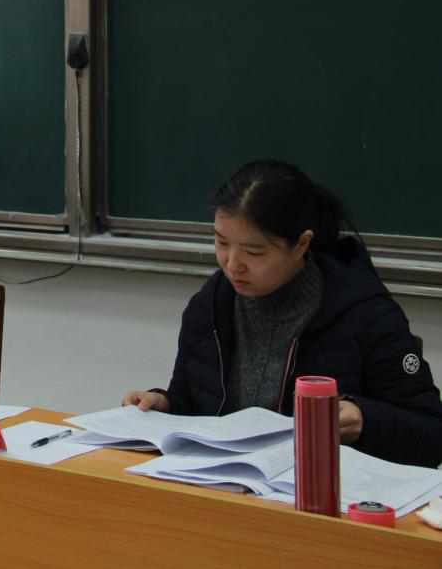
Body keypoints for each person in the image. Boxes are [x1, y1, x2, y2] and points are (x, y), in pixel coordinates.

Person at [121, 159, 442, 467]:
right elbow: (193, 402)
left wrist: (363, 420)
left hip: (318, 495)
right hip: (223, 488)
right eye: (221, 243)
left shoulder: (365, 313)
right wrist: (165, 405)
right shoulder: (210, 305)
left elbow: (432, 434)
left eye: (253, 251)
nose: (232, 265)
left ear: (301, 244)